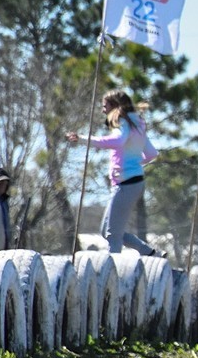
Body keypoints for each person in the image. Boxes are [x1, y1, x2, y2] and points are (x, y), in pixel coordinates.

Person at [66, 89, 160, 255]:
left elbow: (118, 140)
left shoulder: (123, 123)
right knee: (106, 230)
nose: (103, 110)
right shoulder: (137, 125)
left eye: (105, 106)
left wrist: (83, 139)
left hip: (126, 183)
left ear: (115, 106)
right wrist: (135, 163)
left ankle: (112, 266)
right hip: (134, 181)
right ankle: (150, 253)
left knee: (112, 234)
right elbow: (151, 153)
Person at [0, 167, 11, 251]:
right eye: (0, 183)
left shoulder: (4, 202)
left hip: (4, 240)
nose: (2, 186)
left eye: (5, 184)